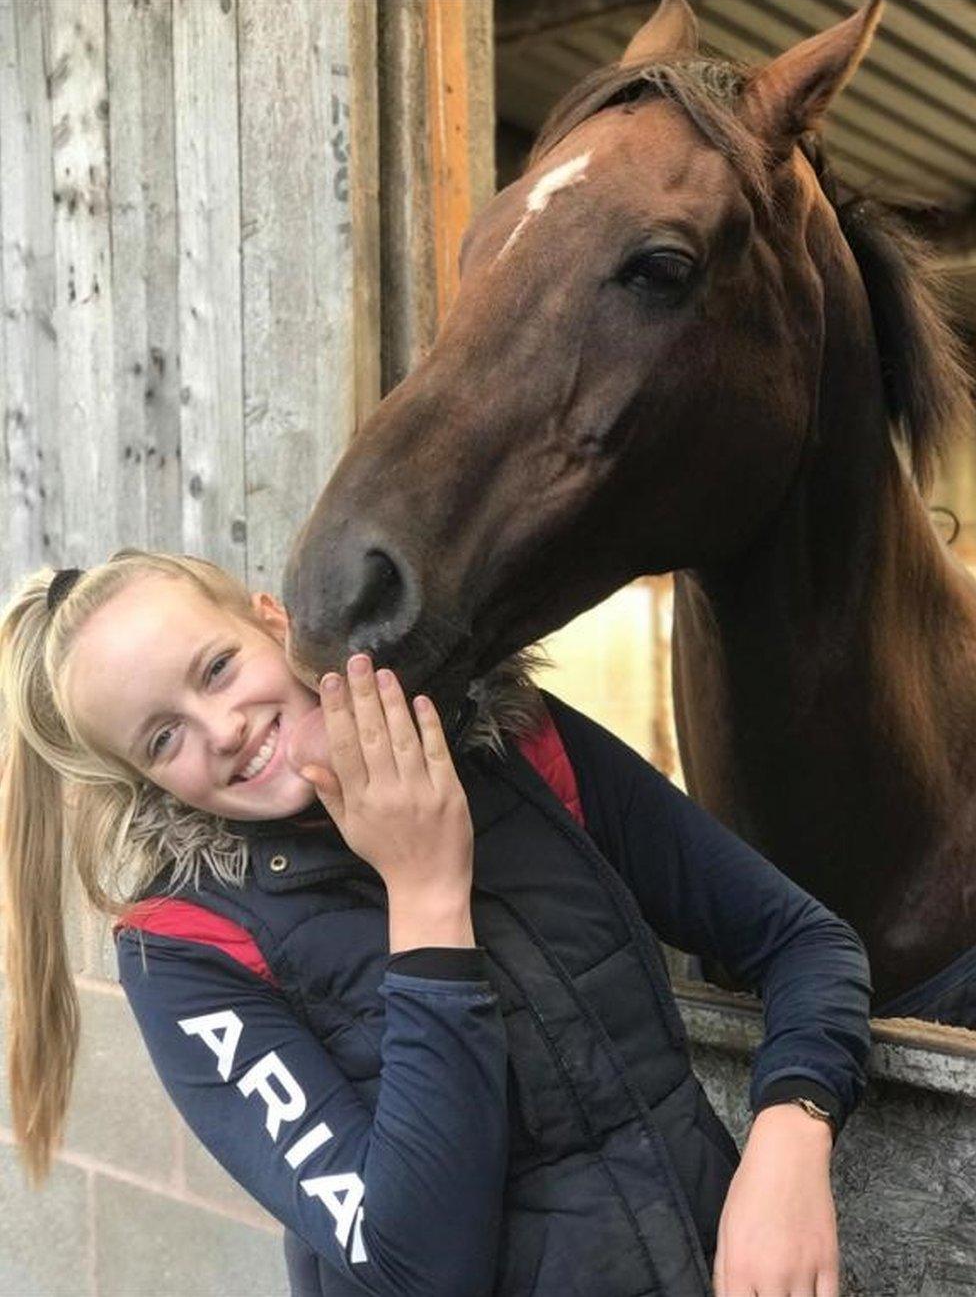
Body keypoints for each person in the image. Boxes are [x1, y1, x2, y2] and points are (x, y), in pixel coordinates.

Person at [0, 548, 870, 1297]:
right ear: (145, 780)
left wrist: (789, 1142)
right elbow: (416, 1264)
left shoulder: (518, 748)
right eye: (162, 739)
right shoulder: (189, 949)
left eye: (217, 668)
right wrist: (424, 895)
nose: (221, 729)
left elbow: (803, 941)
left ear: (273, 620)